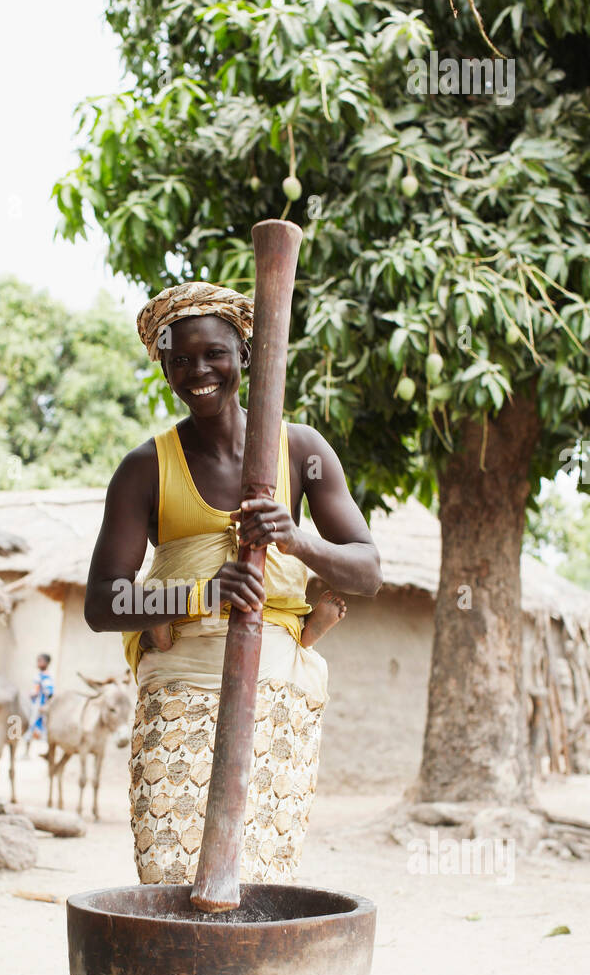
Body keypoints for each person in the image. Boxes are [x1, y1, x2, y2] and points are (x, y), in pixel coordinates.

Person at [85, 280, 382, 886]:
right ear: (164, 365)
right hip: (178, 685)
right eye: (181, 358)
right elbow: (101, 602)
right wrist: (199, 595)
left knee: (260, 882)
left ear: (244, 354)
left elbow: (368, 571)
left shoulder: (302, 451)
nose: (200, 370)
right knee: (173, 876)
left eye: (214, 353)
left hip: (275, 692)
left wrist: (295, 539)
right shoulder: (145, 467)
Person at [25, 652, 54, 752]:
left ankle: (31, 751)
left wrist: (32, 694)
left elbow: (47, 692)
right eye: (38, 661)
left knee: (33, 725)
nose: (38, 663)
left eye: (40, 661)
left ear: (46, 663)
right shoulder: (44, 675)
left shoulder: (43, 676)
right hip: (39, 705)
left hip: (39, 706)